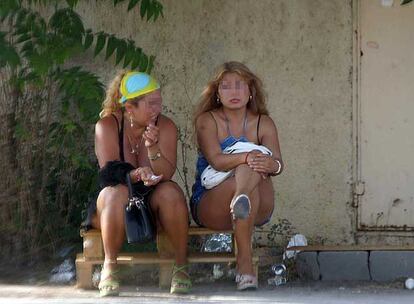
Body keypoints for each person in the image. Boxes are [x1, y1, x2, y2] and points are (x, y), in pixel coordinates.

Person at [85, 71, 191, 296]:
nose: (157, 109)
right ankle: (110, 266)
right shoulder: (107, 125)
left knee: (171, 192)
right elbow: (108, 173)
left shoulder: (167, 126)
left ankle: (181, 265)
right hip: (115, 202)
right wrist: (134, 174)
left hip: (152, 201)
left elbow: (166, 173)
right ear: (130, 108)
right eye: (150, 104)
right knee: (115, 193)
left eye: (159, 102)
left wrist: (153, 148)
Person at [191, 61, 283, 291]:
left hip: (258, 205)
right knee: (250, 162)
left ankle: (241, 198)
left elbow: (279, 164)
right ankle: (244, 262)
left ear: (251, 91)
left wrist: (271, 164)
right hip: (212, 202)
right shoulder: (207, 120)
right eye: (226, 86)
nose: (234, 92)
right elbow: (217, 160)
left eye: (240, 85)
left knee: (253, 168)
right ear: (217, 93)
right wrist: (248, 157)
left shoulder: (264, 123)